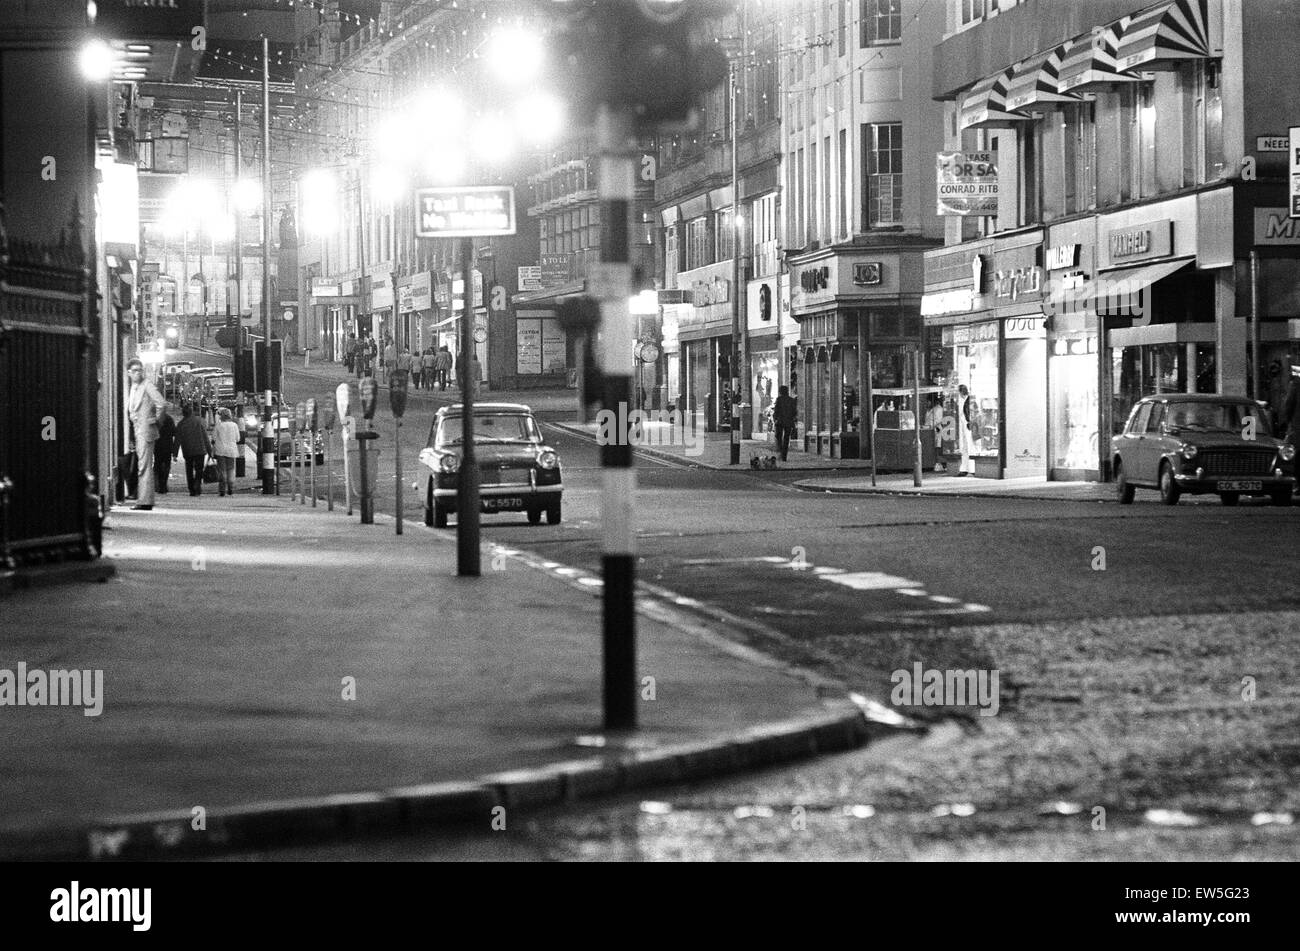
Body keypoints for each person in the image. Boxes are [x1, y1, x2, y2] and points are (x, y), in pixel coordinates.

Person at [125, 357, 166, 510]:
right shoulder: (133, 387)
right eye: (135, 370)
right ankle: (144, 500)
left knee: (144, 466)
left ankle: (145, 501)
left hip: (145, 431)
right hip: (138, 430)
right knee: (143, 465)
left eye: (140, 370)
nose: (138, 373)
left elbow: (161, 403)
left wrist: (155, 421)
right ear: (129, 373)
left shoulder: (146, 385)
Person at [175, 403, 213, 496]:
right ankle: (197, 485)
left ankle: (191, 488)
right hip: (200, 450)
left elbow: (177, 440)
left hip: (188, 450)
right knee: (199, 469)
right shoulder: (199, 421)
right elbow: (205, 437)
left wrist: (174, 453)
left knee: (189, 469)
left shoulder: (181, 424)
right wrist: (210, 451)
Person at [212, 407, 241, 498]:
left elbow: (214, 438)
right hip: (231, 450)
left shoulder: (218, 426)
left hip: (220, 450)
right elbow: (238, 439)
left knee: (222, 470)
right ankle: (231, 488)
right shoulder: (234, 425)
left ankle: (222, 490)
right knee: (231, 469)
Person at [154, 402, 177, 493]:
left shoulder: (156, 420)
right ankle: (164, 484)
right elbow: (174, 432)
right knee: (167, 466)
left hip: (158, 446)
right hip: (167, 446)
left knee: (158, 465)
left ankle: (159, 484)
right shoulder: (169, 419)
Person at [772, 385, 798, 462]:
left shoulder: (779, 399)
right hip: (788, 421)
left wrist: (775, 418)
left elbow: (776, 410)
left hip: (780, 421)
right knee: (786, 438)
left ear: (780, 392)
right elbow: (794, 411)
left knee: (779, 437)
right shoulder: (791, 400)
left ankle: (780, 451)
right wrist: (792, 418)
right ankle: (784, 455)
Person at [956, 384, 977, 477]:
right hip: (965, 425)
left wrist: (969, 422)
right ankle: (965, 468)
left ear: (961, 392)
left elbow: (970, 413)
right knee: (965, 446)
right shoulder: (964, 400)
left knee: (969, 446)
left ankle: (971, 469)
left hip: (968, 425)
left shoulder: (969, 400)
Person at [924, 395, 946, 473]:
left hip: (937, 430)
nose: (927, 403)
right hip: (928, 430)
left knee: (937, 447)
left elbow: (938, 420)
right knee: (933, 447)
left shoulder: (938, 409)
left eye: (928, 401)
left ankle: (939, 463)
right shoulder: (929, 410)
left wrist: (931, 426)